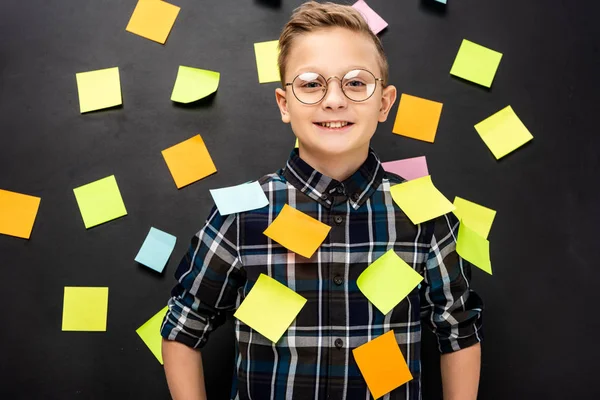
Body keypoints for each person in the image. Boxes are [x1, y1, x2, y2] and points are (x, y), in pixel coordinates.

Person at [161, 2, 483, 399]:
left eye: (356, 82)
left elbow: (459, 331)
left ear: (384, 103)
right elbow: (182, 328)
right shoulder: (240, 215)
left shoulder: (426, 214)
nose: (334, 100)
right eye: (312, 83)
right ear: (284, 104)